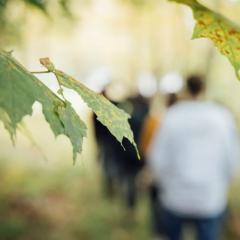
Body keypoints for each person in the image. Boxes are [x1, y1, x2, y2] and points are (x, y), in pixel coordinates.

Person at [148, 75, 239, 240]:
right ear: (204, 89)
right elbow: (232, 157)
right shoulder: (221, 117)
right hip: (210, 197)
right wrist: (225, 181)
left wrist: (163, 182)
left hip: (175, 196)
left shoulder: (172, 116)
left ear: (185, 90)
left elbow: (157, 157)